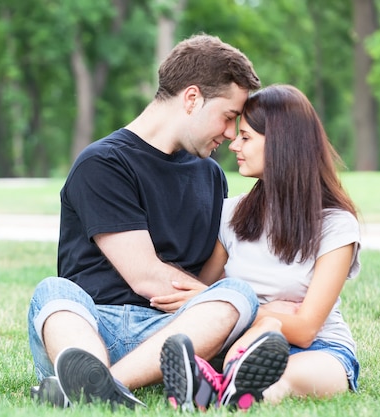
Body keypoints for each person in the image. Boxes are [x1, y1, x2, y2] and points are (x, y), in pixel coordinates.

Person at [27, 34, 289, 411]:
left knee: (238, 295)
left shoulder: (210, 176)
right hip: (93, 328)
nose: (231, 134)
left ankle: (99, 386)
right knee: (53, 293)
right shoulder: (103, 164)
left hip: (176, 337)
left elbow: (214, 279)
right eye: (229, 116)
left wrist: (221, 303)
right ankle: (86, 371)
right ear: (192, 98)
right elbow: (146, 276)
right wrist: (203, 296)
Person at [155, 84, 361, 407]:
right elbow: (205, 291)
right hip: (246, 343)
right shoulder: (232, 214)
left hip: (320, 350)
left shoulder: (335, 225)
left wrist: (259, 313)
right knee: (260, 340)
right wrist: (266, 316)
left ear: (281, 145)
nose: (233, 144)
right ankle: (227, 381)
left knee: (281, 376)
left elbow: (307, 328)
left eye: (246, 137)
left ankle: (218, 386)